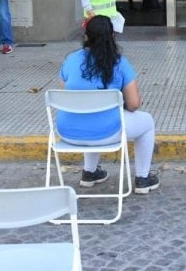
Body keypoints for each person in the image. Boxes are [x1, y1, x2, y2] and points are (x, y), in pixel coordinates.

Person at [57, 15, 159, 194]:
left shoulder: (70, 60)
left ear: (86, 37)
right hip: (106, 132)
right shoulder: (119, 63)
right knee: (147, 122)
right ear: (112, 36)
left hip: (67, 132)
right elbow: (134, 104)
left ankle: (90, 173)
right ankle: (143, 178)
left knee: (88, 113)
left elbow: (64, 95)